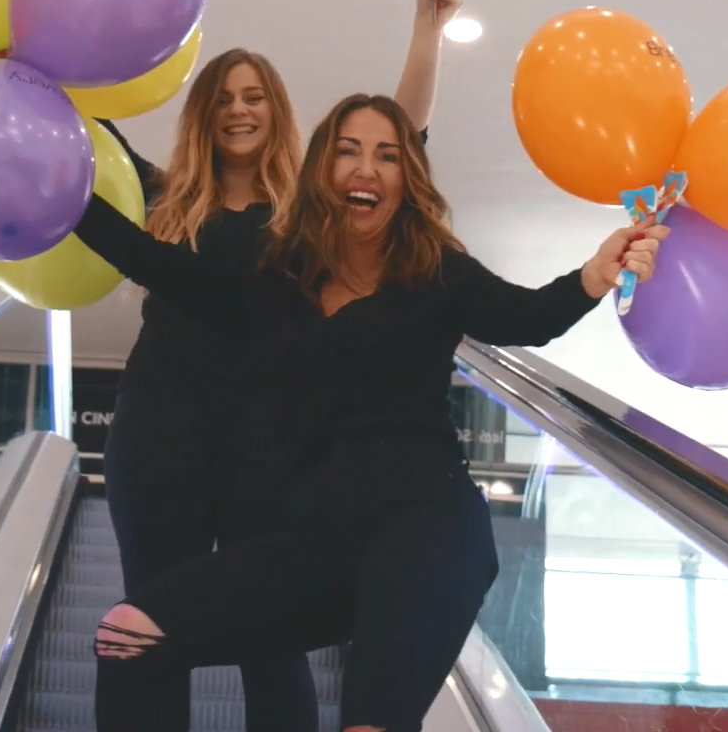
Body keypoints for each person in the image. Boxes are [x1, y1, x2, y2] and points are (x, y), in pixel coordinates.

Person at [76, 93, 665, 732]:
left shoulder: (437, 273)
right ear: (322, 173)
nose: (367, 169)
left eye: (387, 155)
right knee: (128, 633)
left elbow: (525, 318)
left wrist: (591, 276)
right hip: (311, 545)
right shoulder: (280, 280)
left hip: (425, 533)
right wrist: (59, 196)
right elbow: (155, 263)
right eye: (348, 151)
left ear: (406, 180)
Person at [93, 0, 464, 731]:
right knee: (149, 623)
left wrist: (426, 30)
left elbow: (404, 133)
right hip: (159, 431)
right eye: (224, 98)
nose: (239, 109)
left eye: (254, 96)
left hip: (275, 438)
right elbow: (81, 139)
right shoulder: (163, 196)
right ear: (204, 114)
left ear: (277, 109)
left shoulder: (310, 208)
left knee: (270, 632)